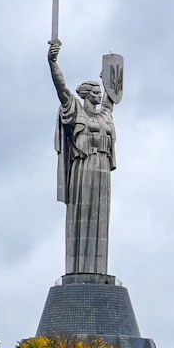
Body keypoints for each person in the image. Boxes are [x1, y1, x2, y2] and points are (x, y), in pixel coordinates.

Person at [48, 39, 117, 275]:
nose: (100, 95)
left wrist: (109, 76)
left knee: (100, 218)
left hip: (102, 170)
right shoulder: (75, 110)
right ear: (87, 95)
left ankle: (98, 270)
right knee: (82, 215)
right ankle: (78, 269)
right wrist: (52, 62)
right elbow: (61, 88)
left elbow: (113, 96)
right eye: (96, 92)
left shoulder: (105, 116)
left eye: (100, 92)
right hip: (83, 168)